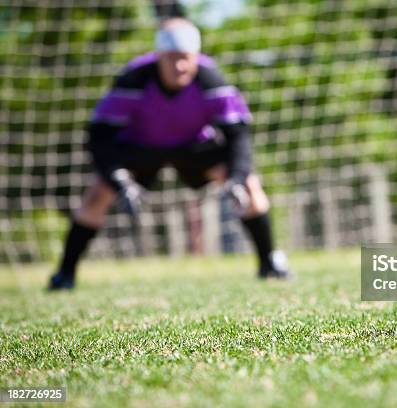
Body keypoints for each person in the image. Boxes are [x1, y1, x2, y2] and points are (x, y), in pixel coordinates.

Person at [49, 18, 291, 290]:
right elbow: (100, 136)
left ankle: (269, 261)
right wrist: (120, 181)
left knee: (249, 187)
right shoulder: (133, 79)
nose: (179, 66)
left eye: (185, 58)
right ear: (159, 57)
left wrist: (236, 178)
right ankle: (65, 274)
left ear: (196, 57)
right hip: (141, 149)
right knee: (98, 194)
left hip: (194, 147)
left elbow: (238, 135)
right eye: (171, 58)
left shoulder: (211, 80)